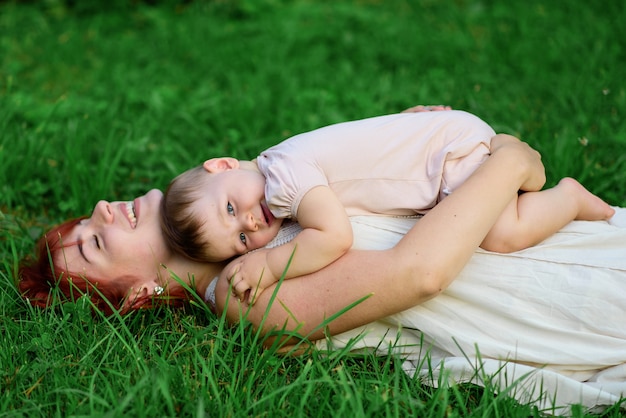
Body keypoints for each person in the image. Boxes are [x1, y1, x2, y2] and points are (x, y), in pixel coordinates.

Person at [17, 114, 626, 414]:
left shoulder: (256, 210)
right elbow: (419, 273)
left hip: (560, 246)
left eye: (87, 220)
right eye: (93, 243)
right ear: (143, 294)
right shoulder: (241, 294)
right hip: (559, 294)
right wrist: (512, 162)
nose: (101, 208)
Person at [161, 109, 614, 304]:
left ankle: (566, 195)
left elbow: (335, 237)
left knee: (502, 234)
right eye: (242, 239)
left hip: (445, 159)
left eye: (228, 209)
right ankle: (514, 159)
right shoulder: (279, 160)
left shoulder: (282, 181)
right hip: (438, 140)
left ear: (222, 165)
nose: (251, 221)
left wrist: (271, 264)